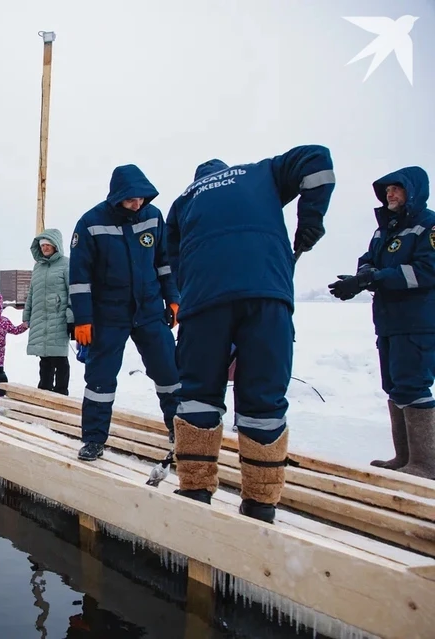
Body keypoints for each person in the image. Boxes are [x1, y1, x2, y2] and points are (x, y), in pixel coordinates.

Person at [166, 145, 335, 523]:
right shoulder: (262, 173)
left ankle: (194, 491)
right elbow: (316, 158)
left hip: (205, 301)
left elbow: (173, 260)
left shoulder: (183, 201)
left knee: (198, 396)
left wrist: (198, 298)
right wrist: (310, 219)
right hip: (267, 295)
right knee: (263, 399)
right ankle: (260, 504)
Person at [328, 166, 435, 479]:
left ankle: (426, 464)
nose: (390, 194)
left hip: (417, 320)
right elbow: (369, 258)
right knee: (394, 384)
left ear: (412, 192)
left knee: (413, 384)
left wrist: (377, 277)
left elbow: (427, 270)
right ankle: (404, 459)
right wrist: (361, 277)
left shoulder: (427, 225)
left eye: (396, 189)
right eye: (387, 190)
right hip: (388, 321)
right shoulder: (384, 231)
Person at [69, 165, 180, 463]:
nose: (138, 204)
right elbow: (79, 278)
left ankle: (179, 429)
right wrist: (82, 320)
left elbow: (164, 263)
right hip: (109, 316)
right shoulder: (90, 223)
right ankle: (93, 439)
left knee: (169, 371)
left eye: (142, 198)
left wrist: (173, 298)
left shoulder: (154, 217)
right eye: (132, 199)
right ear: (117, 196)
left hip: (149, 310)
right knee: (100, 380)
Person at [23, 229, 74, 395]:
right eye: (42, 245)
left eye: (48, 245)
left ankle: (60, 393)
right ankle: (44, 391)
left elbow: (72, 291)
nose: (44, 248)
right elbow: (32, 293)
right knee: (44, 358)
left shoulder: (66, 264)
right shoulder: (38, 267)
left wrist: (72, 318)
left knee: (59, 358)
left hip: (58, 317)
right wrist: (27, 315)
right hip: (40, 317)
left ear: (56, 245)